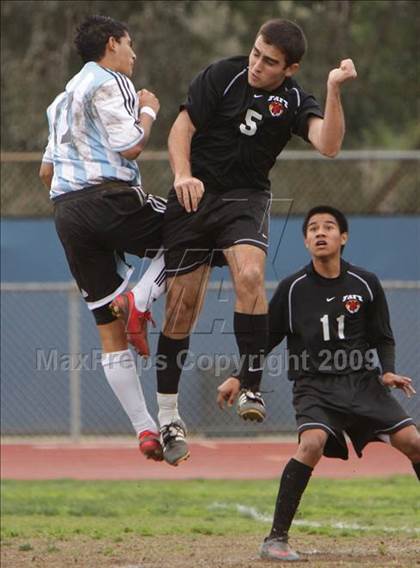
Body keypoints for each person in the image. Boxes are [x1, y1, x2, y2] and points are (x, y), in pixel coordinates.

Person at [155, 19, 357, 466]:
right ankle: (168, 416)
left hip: (245, 200)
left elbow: (328, 145)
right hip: (195, 195)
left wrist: (333, 88)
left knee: (250, 273)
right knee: (181, 309)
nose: (257, 65)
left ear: (290, 68)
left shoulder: (293, 100)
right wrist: (182, 174)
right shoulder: (221, 75)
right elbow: (180, 129)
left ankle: (251, 382)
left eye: (270, 62)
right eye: (255, 53)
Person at [217, 205, 420, 562]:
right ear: (306, 240)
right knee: (311, 443)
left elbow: (383, 337)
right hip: (315, 387)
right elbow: (266, 339)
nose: (320, 232)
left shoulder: (366, 283)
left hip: (364, 384)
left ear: (344, 238)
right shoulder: (292, 288)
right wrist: (240, 375)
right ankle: (275, 540)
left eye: (328, 227)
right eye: (312, 228)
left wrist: (386, 370)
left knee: (414, 442)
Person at [39, 15, 167, 461]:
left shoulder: (60, 101)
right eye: (130, 44)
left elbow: (46, 172)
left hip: (67, 213)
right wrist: (149, 108)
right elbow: (130, 145)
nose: (133, 54)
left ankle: (146, 431)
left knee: (108, 333)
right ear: (112, 44)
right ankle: (143, 298)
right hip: (110, 197)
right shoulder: (113, 80)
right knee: (199, 232)